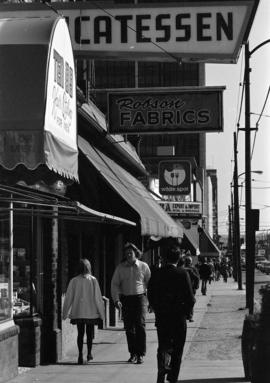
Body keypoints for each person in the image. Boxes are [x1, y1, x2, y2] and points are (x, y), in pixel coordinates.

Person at [148, 246, 195, 383]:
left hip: (162, 315)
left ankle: (162, 365)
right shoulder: (182, 273)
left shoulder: (156, 273)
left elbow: (150, 293)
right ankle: (173, 377)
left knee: (163, 344)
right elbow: (190, 298)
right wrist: (186, 312)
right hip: (178, 316)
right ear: (178, 258)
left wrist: (156, 308)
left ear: (164, 258)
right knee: (178, 348)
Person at [111, 242, 151, 364]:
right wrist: (116, 299)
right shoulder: (120, 268)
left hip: (140, 298)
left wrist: (151, 300)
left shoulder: (143, 266)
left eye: (131, 252)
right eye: (126, 253)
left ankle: (141, 354)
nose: (128, 254)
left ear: (136, 254)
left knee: (140, 325)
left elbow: (149, 282)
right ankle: (133, 353)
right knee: (129, 328)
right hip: (127, 299)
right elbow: (115, 284)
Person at [62, 258, 105, 365]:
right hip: (90, 312)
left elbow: (68, 298)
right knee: (89, 334)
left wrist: (65, 313)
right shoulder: (93, 280)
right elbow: (98, 298)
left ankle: (80, 354)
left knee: (80, 333)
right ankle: (89, 353)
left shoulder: (74, 281)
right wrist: (102, 313)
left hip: (78, 312)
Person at [184, 256, 200, 321]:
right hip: (191, 288)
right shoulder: (193, 269)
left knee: (185, 302)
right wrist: (196, 286)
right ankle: (190, 316)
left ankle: (187, 315)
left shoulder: (182, 268)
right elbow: (197, 277)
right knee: (191, 302)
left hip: (184, 288)